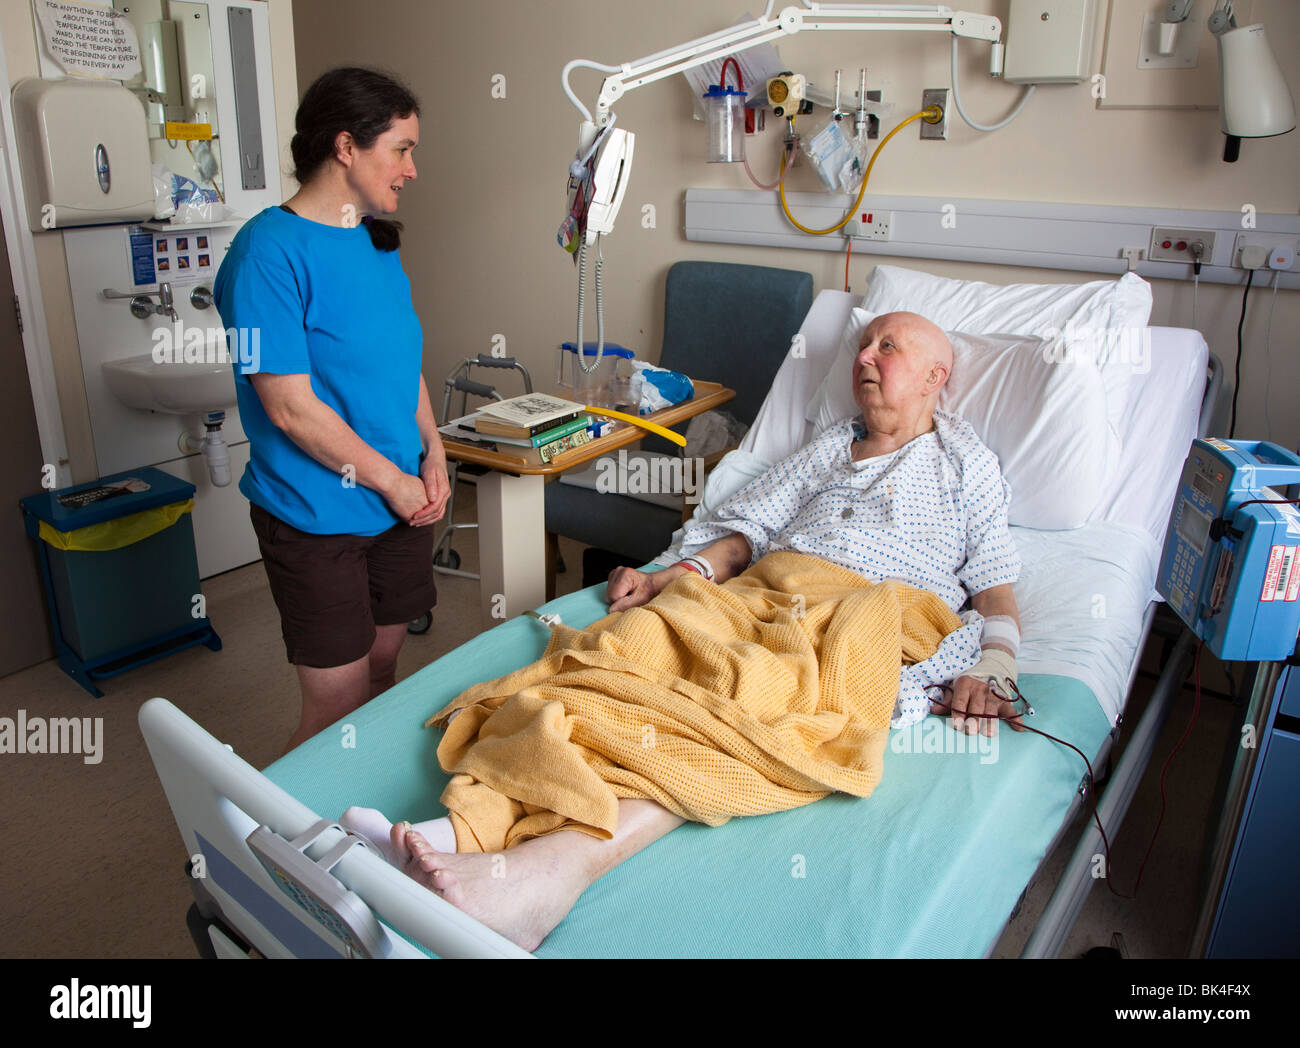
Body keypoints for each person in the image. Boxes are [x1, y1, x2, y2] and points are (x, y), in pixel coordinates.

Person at [342, 311, 1024, 952]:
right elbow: (746, 532)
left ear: (936, 377)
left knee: (742, 694)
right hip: (758, 591)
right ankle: (460, 829)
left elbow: (995, 587)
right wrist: (672, 573)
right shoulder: (826, 448)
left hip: (856, 613)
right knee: (618, 652)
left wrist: (997, 663)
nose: (865, 357)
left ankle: (550, 872)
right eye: (864, 344)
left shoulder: (967, 465)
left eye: (888, 347)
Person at [214, 68, 449, 752]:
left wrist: (431, 450)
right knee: (336, 709)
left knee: (383, 674)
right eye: (401, 148)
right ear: (346, 146)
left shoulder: (375, 240)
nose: (412, 168)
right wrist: (394, 480)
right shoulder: (264, 255)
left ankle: (359, 832)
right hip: (318, 515)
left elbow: (401, 365)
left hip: (402, 503)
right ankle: (270, 849)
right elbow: (288, 409)